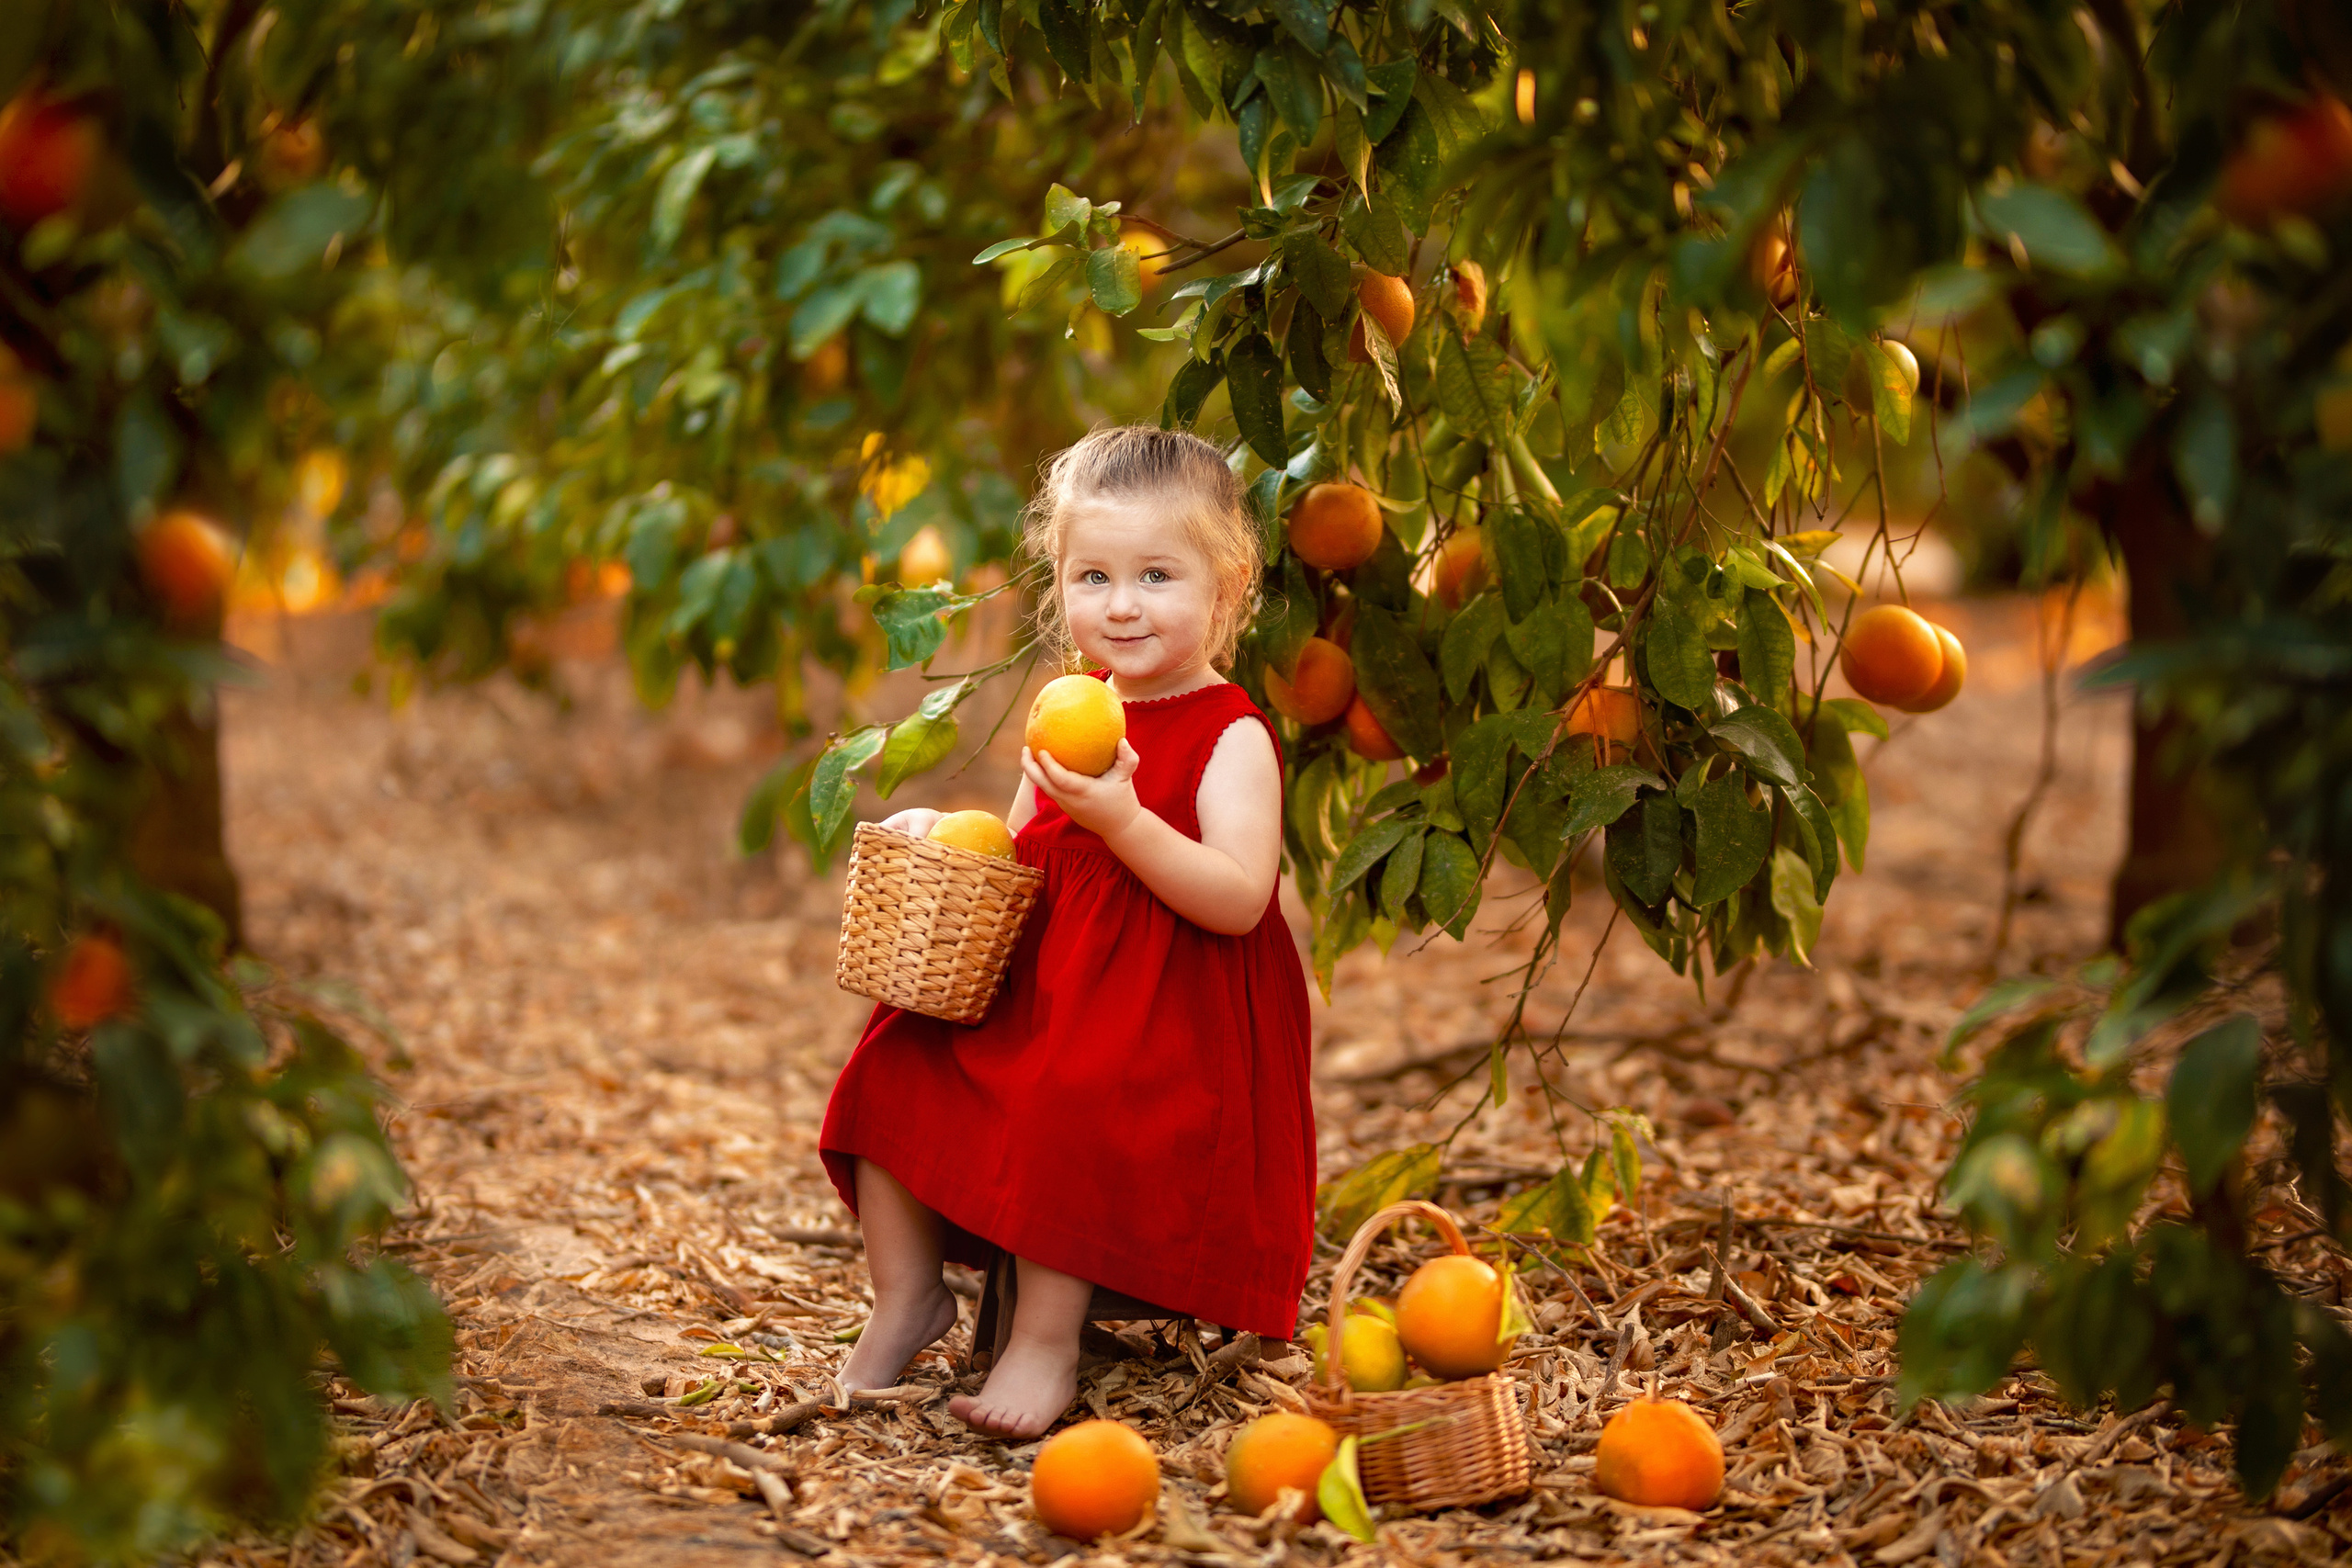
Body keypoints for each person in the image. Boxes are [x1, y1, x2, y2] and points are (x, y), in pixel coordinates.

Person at [819, 425, 1316, 1438]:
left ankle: (1044, 1340)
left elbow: (1238, 897)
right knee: (894, 1058)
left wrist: (1123, 819)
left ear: (1226, 588)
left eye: (1156, 576)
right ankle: (906, 1297)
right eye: (1094, 576)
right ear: (1059, 583)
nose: (1121, 604)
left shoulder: (1230, 733)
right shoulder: (1068, 710)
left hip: (1163, 1019)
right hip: (1050, 986)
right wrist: (940, 832)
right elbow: (1017, 850)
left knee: (1066, 1098)